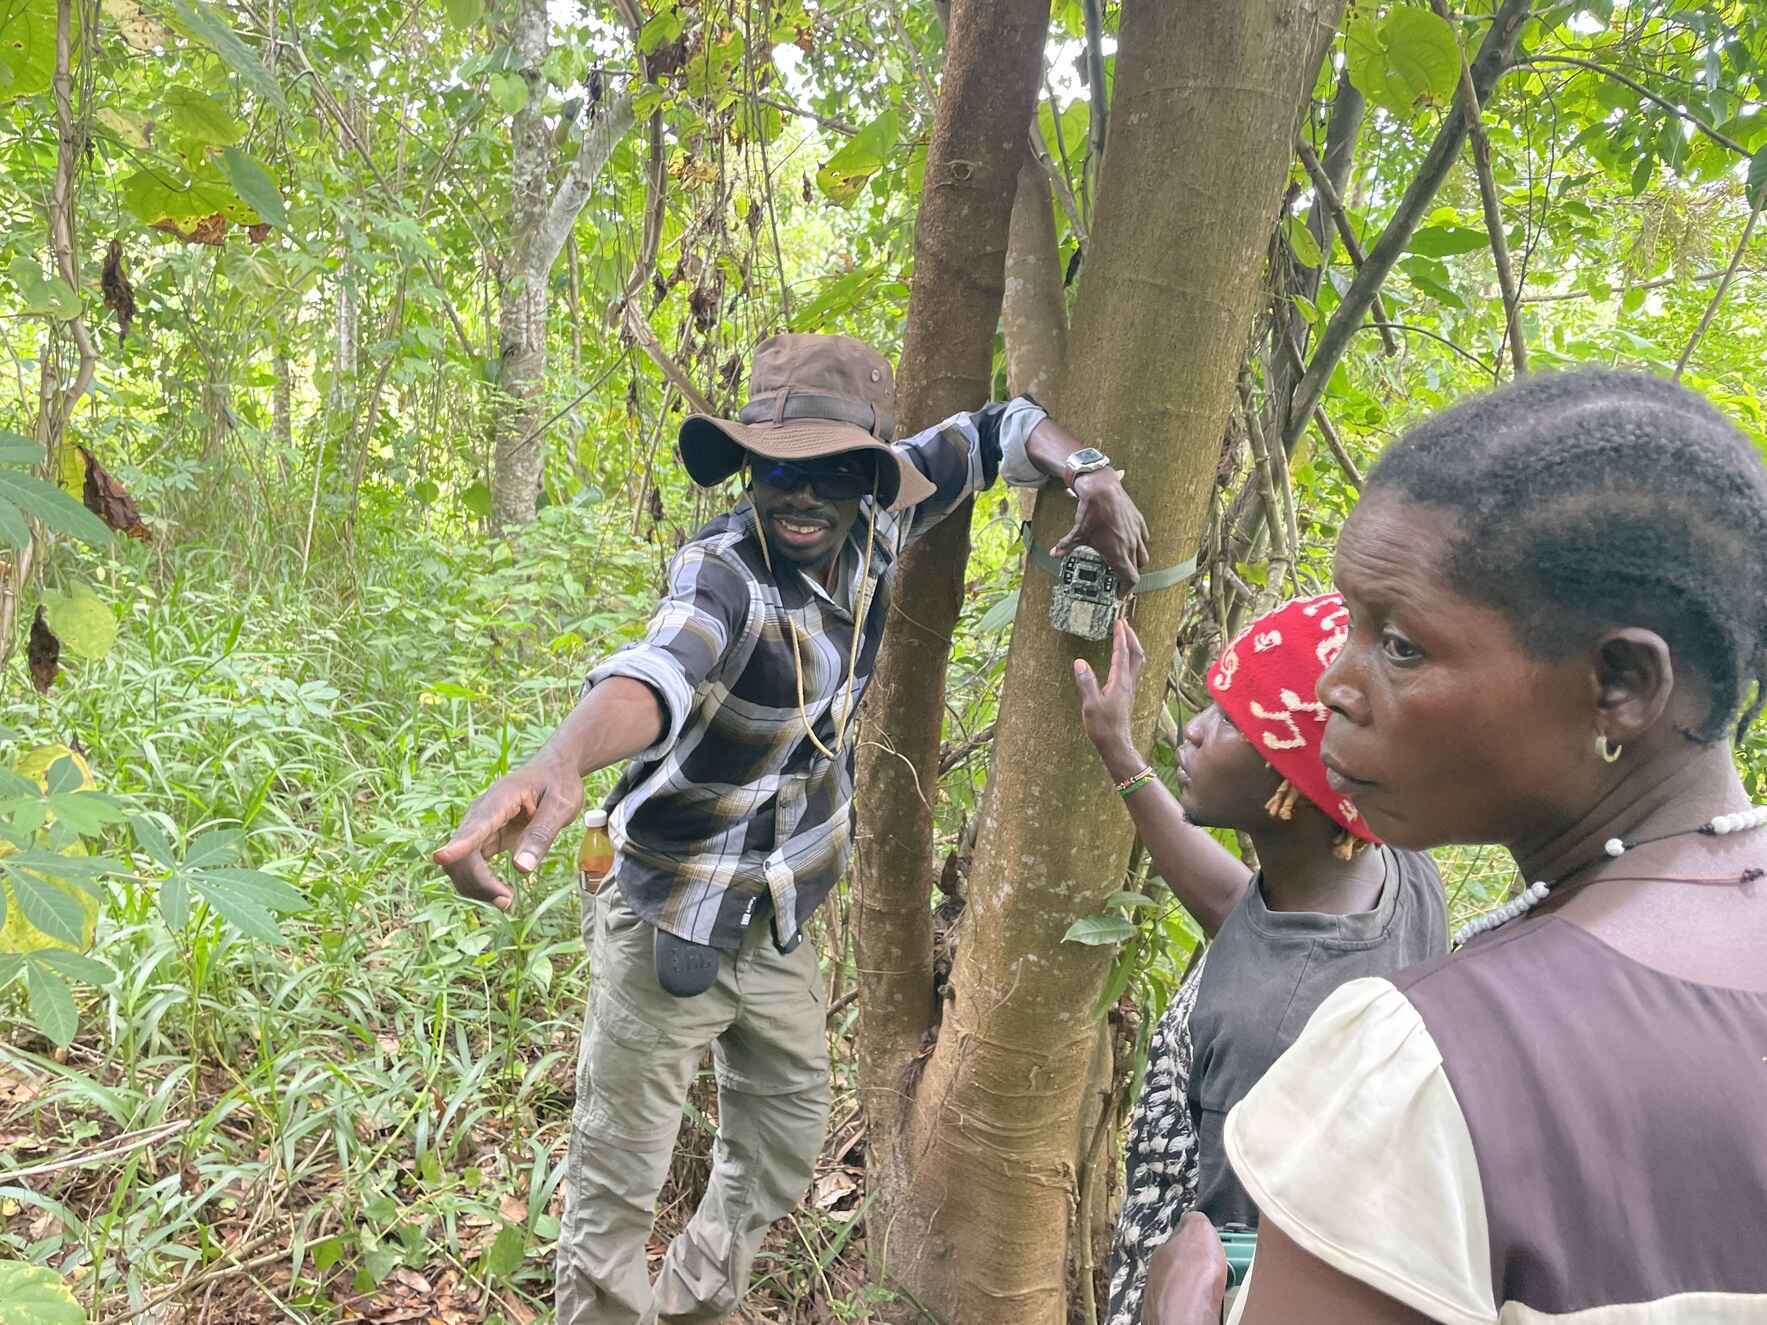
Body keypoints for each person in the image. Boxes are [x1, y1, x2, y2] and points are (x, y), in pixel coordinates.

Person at [433, 332, 1150, 1325]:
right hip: (669, 912)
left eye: (829, 471)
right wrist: (562, 756)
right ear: (749, 466)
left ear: (867, 472)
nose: (801, 496)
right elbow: (663, 665)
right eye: (778, 470)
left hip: (776, 911)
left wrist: (1090, 470)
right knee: (616, 1186)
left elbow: (998, 429)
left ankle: (691, 1304)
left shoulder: (882, 525)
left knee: (781, 1139)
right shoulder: (721, 570)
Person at [1145, 367, 1767, 1324]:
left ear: (1619, 684)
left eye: (1397, 644)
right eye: (1348, 622)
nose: (1331, 688)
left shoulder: (1415, 1072)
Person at [1072, 597, 1445, 1325]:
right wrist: (1120, 754)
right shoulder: (1384, 865)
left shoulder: (1273, 1033)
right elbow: (1243, 914)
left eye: (1230, 722)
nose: (1192, 728)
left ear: (1293, 789)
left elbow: (1226, 1261)